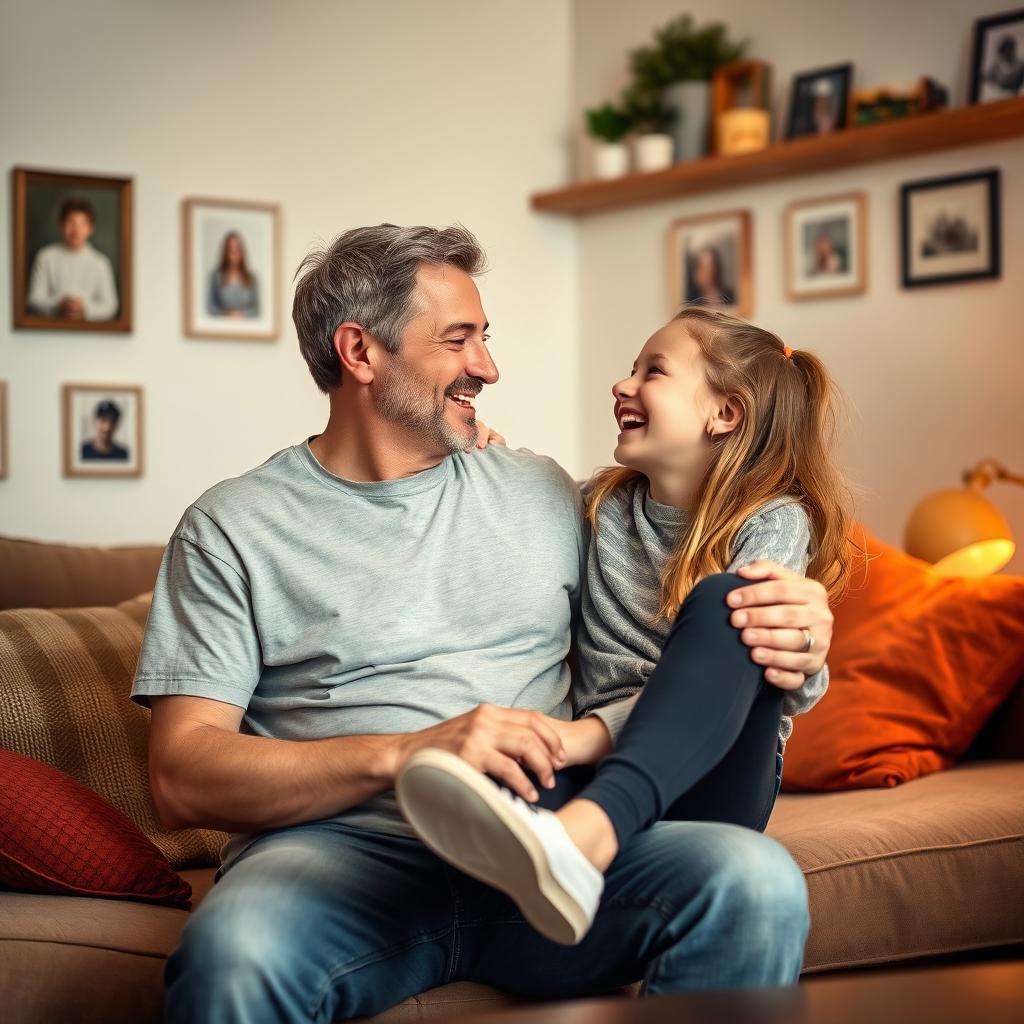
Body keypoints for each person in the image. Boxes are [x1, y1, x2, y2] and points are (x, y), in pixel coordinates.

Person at [130, 224, 834, 1022]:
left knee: (753, 879)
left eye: (486, 338)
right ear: (361, 353)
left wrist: (795, 632)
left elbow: (676, 605)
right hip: (340, 860)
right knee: (234, 953)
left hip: (546, 850)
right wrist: (407, 753)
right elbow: (181, 777)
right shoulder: (233, 527)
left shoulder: (543, 492)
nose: (489, 369)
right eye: (459, 340)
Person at [397, 307, 856, 946]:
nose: (623, 384)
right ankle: (535, 850)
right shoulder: (601, 506)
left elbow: (775, 667)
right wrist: (492, 469)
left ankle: (586, 835)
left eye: (654, 372)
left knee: (733, 602)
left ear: (724, 413)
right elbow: (522, 512)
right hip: (596, 766)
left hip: (714, 777)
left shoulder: (773, 521)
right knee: (498, 761)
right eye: (630, 369)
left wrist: (582, 738)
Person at [27, 196, 119, 320]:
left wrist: (85, 309)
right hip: (49, 332)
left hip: (91, 334)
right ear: (60, 224)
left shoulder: (100, 262)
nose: (76, 230)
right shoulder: (45, 256)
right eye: (70, 222)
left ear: (90, 228)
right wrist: (58, 304)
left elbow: (110, 306)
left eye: (82, 224)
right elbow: (34, 299)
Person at [207, 231, 260, 318]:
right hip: (221, 326)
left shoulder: (251, 277)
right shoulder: (216, 276)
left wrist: (241, 314)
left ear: (242, 252)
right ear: (225, 252)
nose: (234, 254)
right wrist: (226, 314)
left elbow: (256, 310)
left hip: (248, 328)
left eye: (237, 249)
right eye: (230, 250)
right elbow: (211, 308)